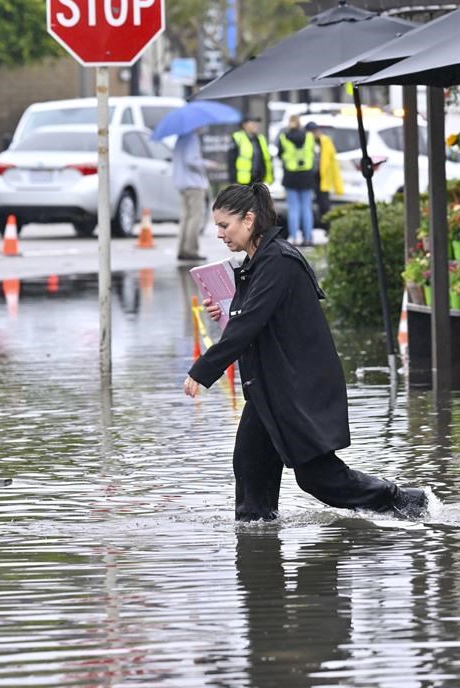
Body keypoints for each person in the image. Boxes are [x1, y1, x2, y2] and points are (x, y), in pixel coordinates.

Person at [182, 182, 429, 522]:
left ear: (249, 220)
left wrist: (202, 370)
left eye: (225, 225)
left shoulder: (279, 262)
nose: (220, 234)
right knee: (250, 467)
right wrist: (225, 311)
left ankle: (407, 502)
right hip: (268, 389)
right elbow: (251, 320)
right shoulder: (258, 263)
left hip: (295, 391)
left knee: (319, 478)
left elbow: (250, 323)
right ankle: (258, 545)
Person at [277, 115, 318, 245]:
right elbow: (313, 154)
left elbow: (280, 155)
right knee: (306, 208)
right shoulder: (310, 137)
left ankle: (294, 238)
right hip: (306, 176)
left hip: (290, 176)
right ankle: (308, 238)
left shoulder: (283, 138)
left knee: (293, 208)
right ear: (300, 124)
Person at [172, 131, 213, 262]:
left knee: (185, 217)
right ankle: (191, 249)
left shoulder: (181, 138)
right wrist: (207, 164)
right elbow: (191, 160)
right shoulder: (192, 138)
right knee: (196, 217)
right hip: (194, 183)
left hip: (182, 183)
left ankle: (182, 249)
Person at [309, 121, 344, 226]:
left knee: (324, 205)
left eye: (316, 131)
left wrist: (338, 186)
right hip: (310, 178)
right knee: (308, 206)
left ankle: (327, 227)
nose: (315, 133)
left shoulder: (326, 142)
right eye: (312, 131)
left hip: (323, 179)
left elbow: (333, 164)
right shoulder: (306, 142)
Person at [228, 117, 273, 186]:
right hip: (242, 181)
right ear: (244, 125)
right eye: (253, 123)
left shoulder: (261, 139)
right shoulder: (237, 137)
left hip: (259, 180)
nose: (256, 125)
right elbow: (231, 160)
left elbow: (266, 160)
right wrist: (233, 180)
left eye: (257, 123)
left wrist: (269, 178)